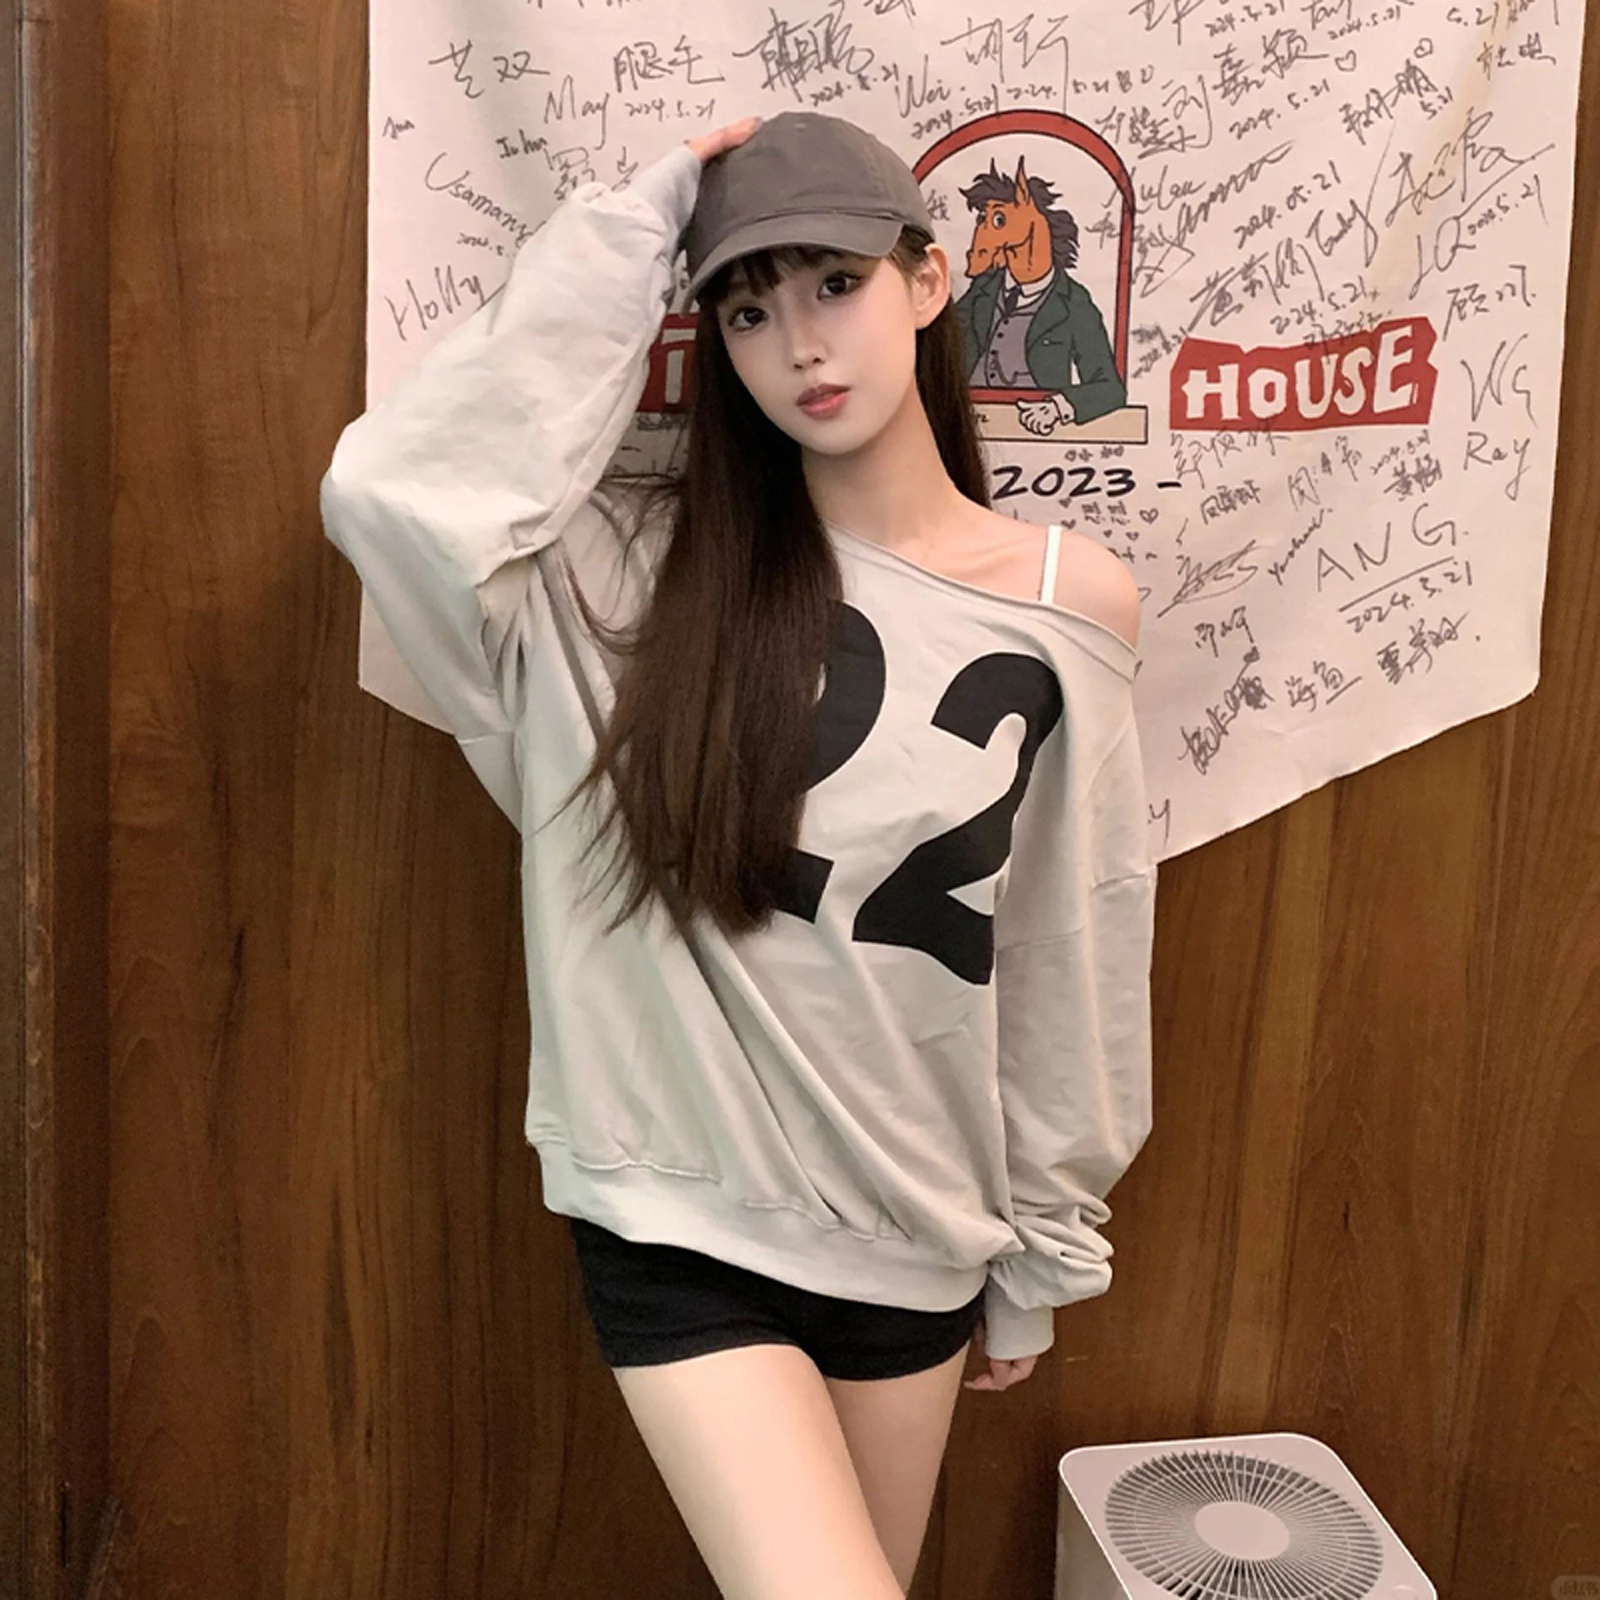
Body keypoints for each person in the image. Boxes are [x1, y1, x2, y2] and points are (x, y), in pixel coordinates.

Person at [320, 109, 1155, 1600]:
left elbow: (1064, 943)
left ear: (929, 279)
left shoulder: (1070, 597)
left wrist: (1040, 1249)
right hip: (686, 1211)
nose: (799, 345)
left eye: (834, 283)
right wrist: (635, 229)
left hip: (918, 1228)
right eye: (748, 311)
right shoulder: (620, 573)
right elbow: (394, 496)